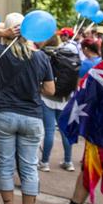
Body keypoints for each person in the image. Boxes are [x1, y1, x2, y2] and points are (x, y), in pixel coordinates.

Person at [0, 13, 56, 204]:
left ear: (9, 30)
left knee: (5, 166)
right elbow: (50, 90)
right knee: (29, 167)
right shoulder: (41, 57)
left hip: (3, 114)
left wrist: (3, 32)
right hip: (32, 116)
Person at [56, 33, 103, 204]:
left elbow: (83, 101)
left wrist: (73, 124)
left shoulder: (99, 70)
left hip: (101, 135)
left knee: (89, 171)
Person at [37, 35, 75, 173]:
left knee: (49, 131)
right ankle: (68, 161)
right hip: (65, 98)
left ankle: (45, 162)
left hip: (48, 97)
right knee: (65, 131)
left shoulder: (44, 54)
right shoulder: (67, 53)